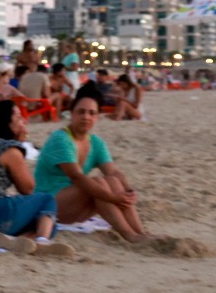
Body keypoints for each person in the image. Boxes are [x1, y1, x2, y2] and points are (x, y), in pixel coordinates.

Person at [0, 100, 73, 257]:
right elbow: (28, 188)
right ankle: (42, 241)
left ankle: (14, 241)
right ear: (5, 122)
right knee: (47, 202)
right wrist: (19, 144)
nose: (23, 121)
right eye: (18, 117)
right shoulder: (8, 149)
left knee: (47, 221)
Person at [35, 95, 149, 242]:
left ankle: (140, 232)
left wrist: (128, 191)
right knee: (98, 183)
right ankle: (129, 235)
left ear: (97, 117)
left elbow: (113, 171)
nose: (86, 117)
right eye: (81, 112)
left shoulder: (95, 142)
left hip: (75, 205)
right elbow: (77, 177)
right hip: (48, 205)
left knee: (113, 180)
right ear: (71, 114)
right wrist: (112, 197)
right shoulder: (61, 139)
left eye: (92, 113)